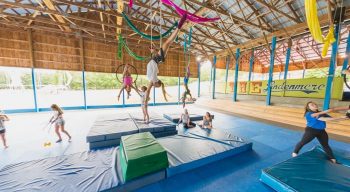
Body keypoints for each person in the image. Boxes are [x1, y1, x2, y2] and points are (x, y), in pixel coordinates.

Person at [144, 13, 188, 105]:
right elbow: (148, 90)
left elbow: (152, 62)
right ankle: (179, 25)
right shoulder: (153, 80)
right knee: (168, 41)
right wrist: (145, 100)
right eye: (156, 86)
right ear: (157, 83)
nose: (154, 86)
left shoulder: (153, 78)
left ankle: (180, 25)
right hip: (158, 58)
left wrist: (153, 50)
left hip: (158, 59)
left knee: (169, 42)